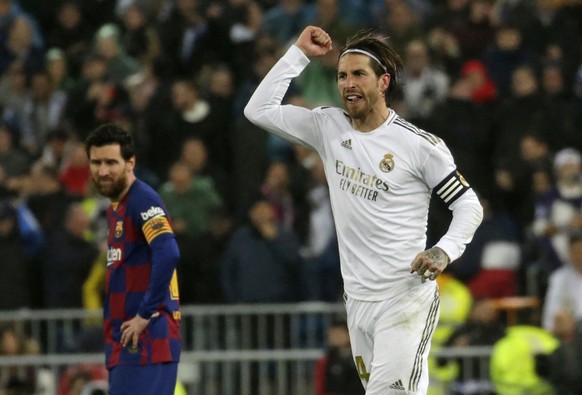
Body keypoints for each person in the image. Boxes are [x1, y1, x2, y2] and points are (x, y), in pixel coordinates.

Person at [244, 26, 483, 394]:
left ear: (383, 81)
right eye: (342, 75)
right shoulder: (328, 126)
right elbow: (257, 109)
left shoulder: (418, 146)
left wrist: (443, 250)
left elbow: (468, 204)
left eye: (358, 74)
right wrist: (299, 54)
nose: (348, 83)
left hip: (404, 297)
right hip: (357, 301)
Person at [84, 123, 181, 395]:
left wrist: (144, 314)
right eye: (96, 162)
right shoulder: (118, 206)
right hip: (129, 346)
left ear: (130, 163)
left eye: (111, 162)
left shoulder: (143, 200)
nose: (102, 171)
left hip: (147, 343)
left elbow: (169, 251)